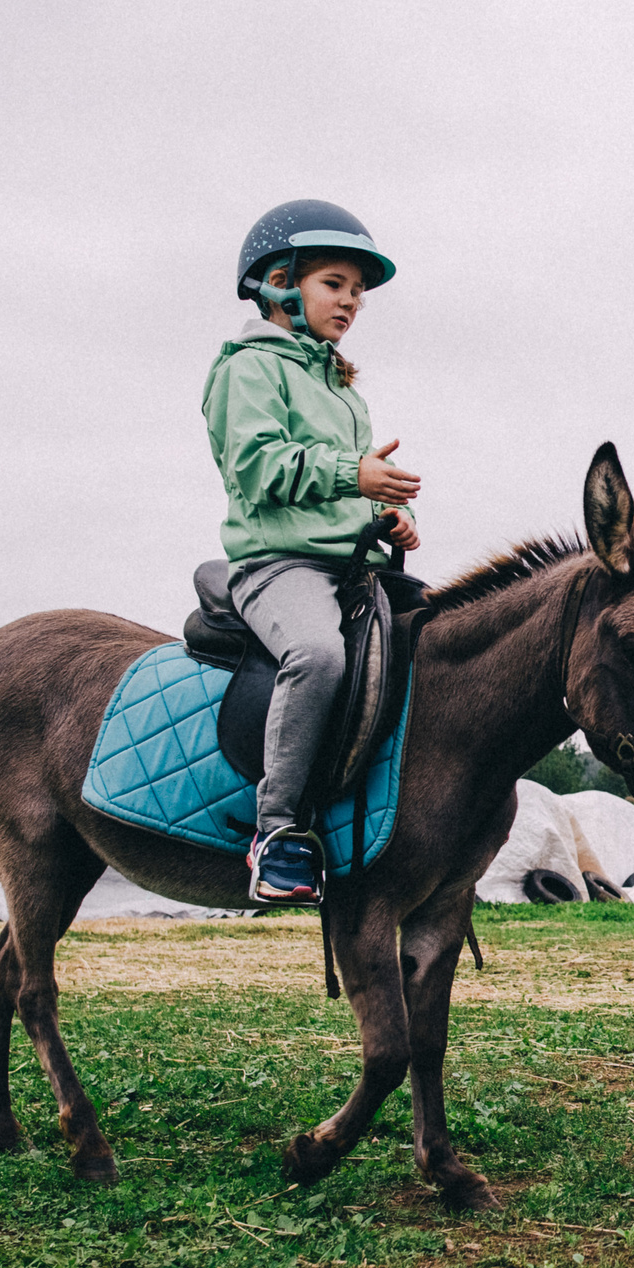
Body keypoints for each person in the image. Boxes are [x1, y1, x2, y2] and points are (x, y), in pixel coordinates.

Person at [206, 199, 422, 905]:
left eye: (358, 291)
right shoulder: (247, 370)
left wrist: (392, 517)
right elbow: (258, 468)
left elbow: (356, 487)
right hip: (279, 566)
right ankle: (276, 832)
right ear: (279, 283)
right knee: (319, 655)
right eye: (335, 283)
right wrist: (354, 474)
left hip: (355, 568)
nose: (351, 301)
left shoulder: (343, 388)